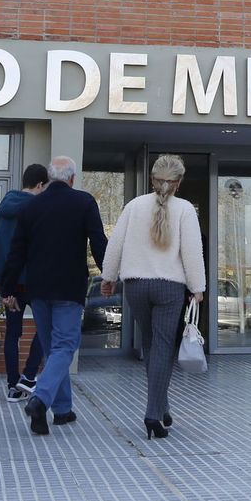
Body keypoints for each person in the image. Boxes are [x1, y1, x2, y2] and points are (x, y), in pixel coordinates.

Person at [99, 154, 205, 440]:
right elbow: (192, 252)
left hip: (136, 286)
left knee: (151, 344)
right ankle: (153, 413)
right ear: (178, 182)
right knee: (162, 347)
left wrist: (108, 278)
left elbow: (115, 244)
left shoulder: (134, 206)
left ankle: (162, 405)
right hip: (169, 287)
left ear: (152, 179)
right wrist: (198, 287)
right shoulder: (184, 209)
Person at [1, 155, 106, 435]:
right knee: (64, 347)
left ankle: (62, 410)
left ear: (49, 179)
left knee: (52, 349)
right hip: (69, 288)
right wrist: (110, 273)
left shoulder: (31, 207)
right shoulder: (84, 202)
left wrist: (8, 288)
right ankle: (40, 400)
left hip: (37, 289)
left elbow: (16, 252)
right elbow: (98, 242)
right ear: (72, 179)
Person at [0, 162, 49, 402]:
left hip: (10, 284)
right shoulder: (39, 210)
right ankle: (29, 377)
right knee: (46, 329)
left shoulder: (0, 211)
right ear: (41, 184)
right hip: (35, 282)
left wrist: (4, 285)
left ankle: (13, 386)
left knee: (12, 334)